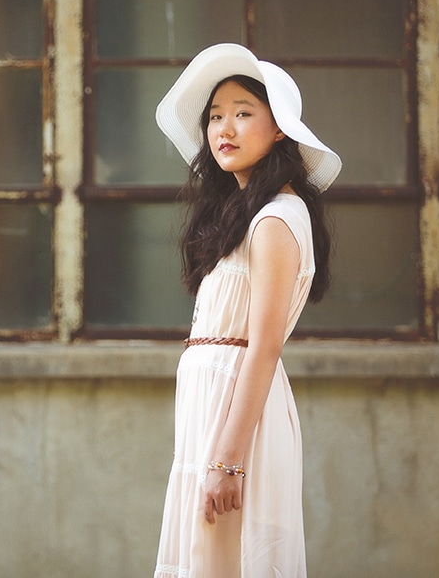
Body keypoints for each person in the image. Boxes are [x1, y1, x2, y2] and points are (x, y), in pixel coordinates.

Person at [151, 43, 341, 577]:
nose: (223, 129)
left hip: (238, 425)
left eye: (242, 113)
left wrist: (226, 461)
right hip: (212, 416)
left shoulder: (276, 219)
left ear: (279, 127)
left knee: (230, 562)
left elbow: (264, 348)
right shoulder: (247, 215)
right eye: (215, 117)